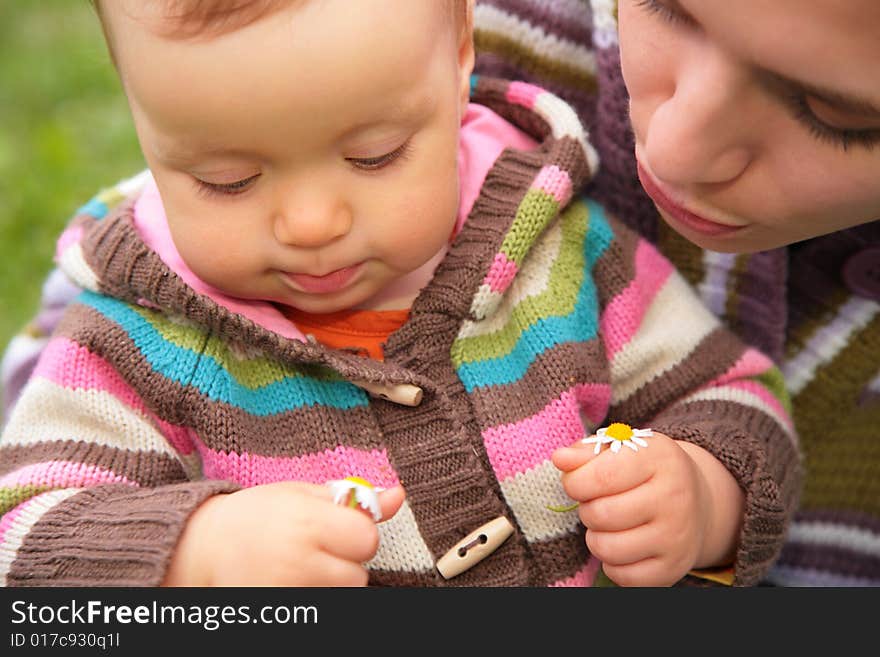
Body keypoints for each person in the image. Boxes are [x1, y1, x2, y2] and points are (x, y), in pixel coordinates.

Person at [0, 0, 799, 587]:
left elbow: (735, 395)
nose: (312, 223)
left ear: (459, 60)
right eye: (226, 179)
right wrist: (195, 555)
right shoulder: (139, 337)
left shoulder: (556, 256)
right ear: (145, 127)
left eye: (375, 155)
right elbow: (24, 538)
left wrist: (700, 493)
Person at [472, 0, 880, 586]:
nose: (670, 150)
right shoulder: (476, 46)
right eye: (665, 9)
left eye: (831, 115)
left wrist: (708, 512)